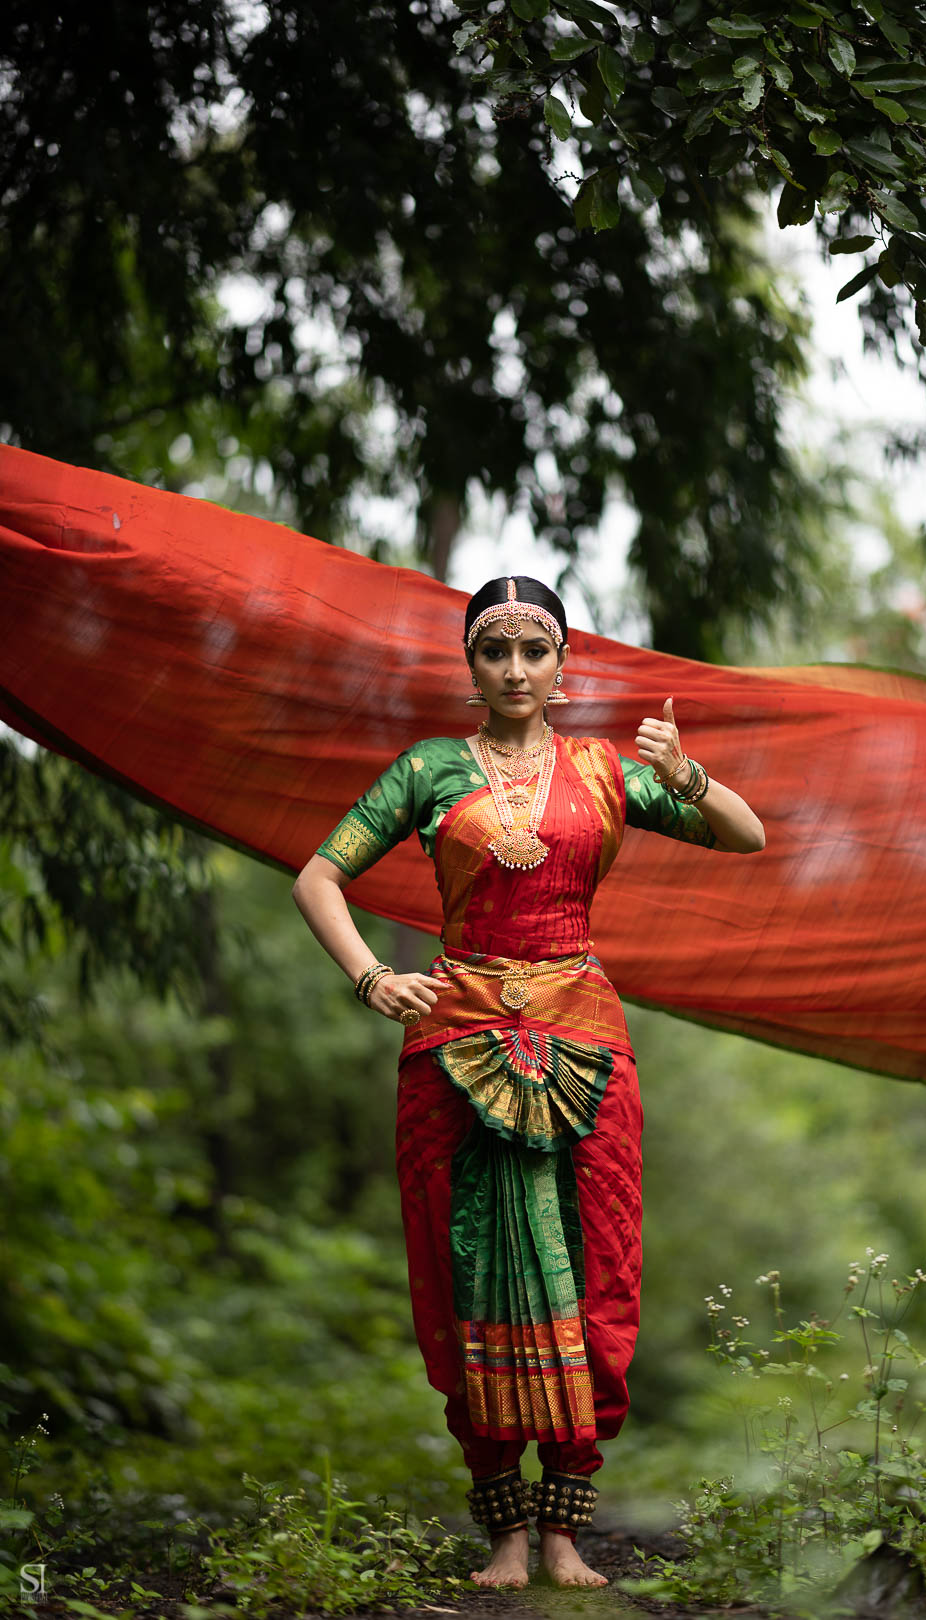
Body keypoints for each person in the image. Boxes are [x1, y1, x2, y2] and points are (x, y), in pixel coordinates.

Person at [291, 576, 765, 1588]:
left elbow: (747, 835)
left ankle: (564, 1528)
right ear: (471, 665)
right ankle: (505, 1528)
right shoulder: (427, 770)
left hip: (585, 1041)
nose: (514, 669)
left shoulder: (602, 769)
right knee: (466, 1270)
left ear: (564, 666)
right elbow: (317, 876)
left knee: (593, 1271)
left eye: (534, 650)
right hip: (451, 1041)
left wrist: (683, 774)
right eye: (494, 650)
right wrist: (372, 976)